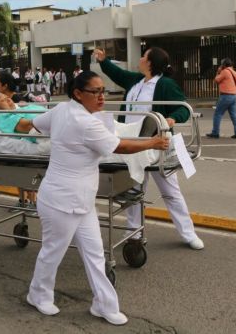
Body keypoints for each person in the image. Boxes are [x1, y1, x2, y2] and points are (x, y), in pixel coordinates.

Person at [27, 71, 169, 324]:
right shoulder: (84, 122)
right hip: (61, 200)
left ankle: (104, 305)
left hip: (81, 200)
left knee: (94, 253)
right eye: (95, 92)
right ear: (78, 94)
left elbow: (37, 123)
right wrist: (152, 143)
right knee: (53, 251)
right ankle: (38, 295)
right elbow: (119, 146)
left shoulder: (62, 109)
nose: (101, 96)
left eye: (103, 90)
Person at [95, 47, 204, 250]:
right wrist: (103, 61)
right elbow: (118, 74)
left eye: (144, 56)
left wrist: (172, 119)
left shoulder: (165, 84)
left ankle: (188, 234)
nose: (140, 58)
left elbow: (182, 107)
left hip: (156, 144)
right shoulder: (136, 81)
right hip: (131, 144)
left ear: (151, 63)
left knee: (171, 191)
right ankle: (133, 232)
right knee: (134, 190)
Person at [207, 58, 236, 139]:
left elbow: (216, 80)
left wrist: (218, 72)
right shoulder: (235, 73)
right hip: (234, 96)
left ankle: (215, 132)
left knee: (217, 114)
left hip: (226, 95)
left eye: (222, 64)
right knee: (234, 115)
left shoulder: (225, 72)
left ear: (224, 65)